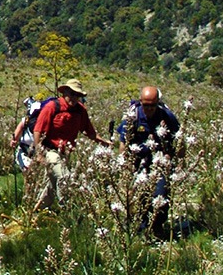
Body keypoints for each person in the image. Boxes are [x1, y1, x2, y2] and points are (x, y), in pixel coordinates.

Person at [32, 78, 112, 211]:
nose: (75, 98)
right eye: (72, 94)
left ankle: (36, 212)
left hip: (65, 153)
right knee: (65, 178)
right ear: (65, 93)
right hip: (50, 151)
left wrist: (103, 142)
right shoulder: (53, 107)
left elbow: (89, 132)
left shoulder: (80, 111)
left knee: (52, 186)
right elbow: (38, 130)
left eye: (78, 95)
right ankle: (68, 211)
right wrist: (39, 153)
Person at [117, 85, 183, 239]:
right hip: (137, 160)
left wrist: (178, 159)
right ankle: (139, 229)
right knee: (137, 196)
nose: (149, 109)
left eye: (153, 105)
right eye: (146, 105)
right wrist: (125, 166)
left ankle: (157, 227)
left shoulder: (166, 116)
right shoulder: (132, 117)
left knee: (160, 194)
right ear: (141, 103)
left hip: (159, 162)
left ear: (157, 103)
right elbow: (122, 144)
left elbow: (179, 139)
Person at [11, 97, 42, 170]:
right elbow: (17, 132)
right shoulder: (26, 121)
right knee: (28, 173)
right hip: (25, 152)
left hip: (39, 153)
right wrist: (14, 140)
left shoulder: (45, 122)